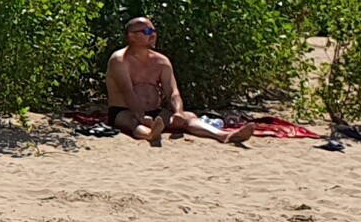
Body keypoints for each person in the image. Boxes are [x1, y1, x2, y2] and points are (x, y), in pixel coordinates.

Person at [106, 18, 254, 147]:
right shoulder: (120, 60)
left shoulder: (161, 61)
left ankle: (223, 135)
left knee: (189, 117)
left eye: (154, 31)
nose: (152, 35)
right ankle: (150, 134)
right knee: (134, 122)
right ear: (131, 37)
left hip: (155, 112)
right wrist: (140, 115)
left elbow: (172, 92)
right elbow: (127, 92)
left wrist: (178, 112)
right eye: (146, 32)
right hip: (124, 110)